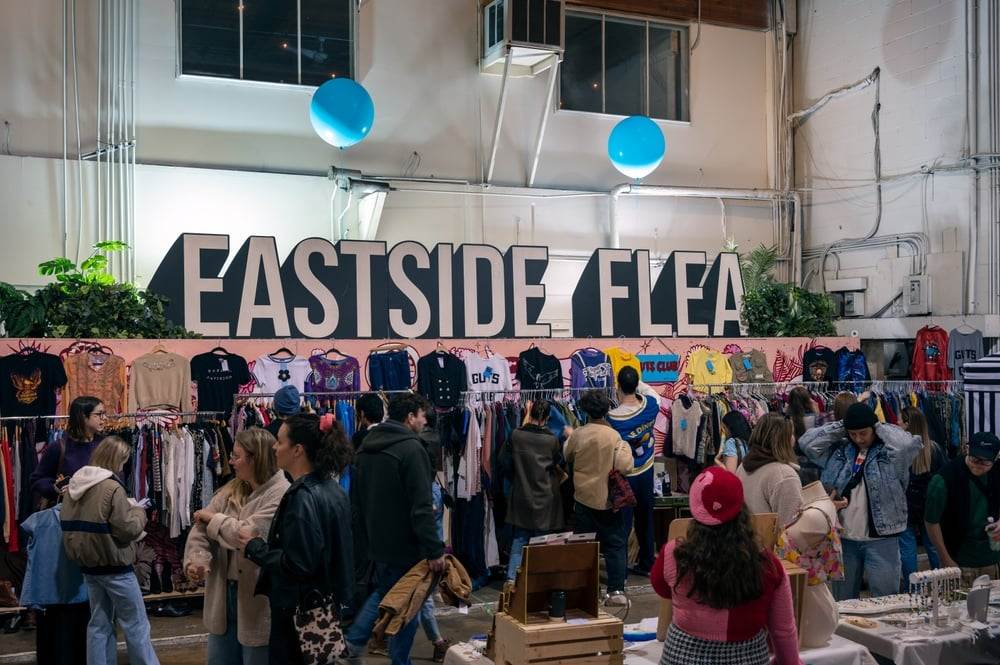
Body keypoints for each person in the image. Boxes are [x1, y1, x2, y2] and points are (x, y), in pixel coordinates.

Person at [652, 467, 801, 665]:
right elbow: (783, 630)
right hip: (748, 658)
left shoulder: (673, 554)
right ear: (742, 508)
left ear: (696, 509)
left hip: (682, 655)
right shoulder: (768, 565)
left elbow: (661, 588)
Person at [239, 414, 353, 665]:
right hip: (326, 606)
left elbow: (298, 564)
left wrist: (254, 546)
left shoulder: (302, 497)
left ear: (298, 450)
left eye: (279, 442)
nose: (274, 447)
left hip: (299, 612)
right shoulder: (333, 489)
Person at [345, 393, 445, 665]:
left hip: (378, 542)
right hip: (407, 544)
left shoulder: (366, 448)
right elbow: (421, 506)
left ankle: (355, 646)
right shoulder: (412, 450)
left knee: (386, 594)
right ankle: (366, 648)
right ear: (410, 417)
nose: (425, 421)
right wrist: (435, 549)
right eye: (422, 415)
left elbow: (358, 501)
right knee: (405, 605)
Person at [183, 427, 290, 665]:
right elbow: (200, 530)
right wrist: (197, 559)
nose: (230, 461)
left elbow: (245, 535)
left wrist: (214, 519)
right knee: (219, 658)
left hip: (258, 598)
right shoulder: (232, 488)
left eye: (236, 456)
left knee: (255, 657)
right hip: (223, 593)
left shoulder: (281, 493)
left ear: (255, 458)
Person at [800, 403, 921, 599]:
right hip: (844, 539)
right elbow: (807, 443)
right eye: (853, 433)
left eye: (863, 433)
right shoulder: (840, 451)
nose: (858, 438)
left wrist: (878, 425)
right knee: (843, 603)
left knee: (885, 601)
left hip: (883, 539)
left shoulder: (890, 454)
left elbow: (906, 445)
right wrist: (843, 425)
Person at [60, 436, 159, 665]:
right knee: (137, 624)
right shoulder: (111, 487)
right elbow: (127, 530)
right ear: (117, 459)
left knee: (99, 623)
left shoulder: (76, 484)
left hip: (89, 566)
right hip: (115, 566)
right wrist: (138, 511)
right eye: (123, 460)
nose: (124, 465)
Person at [565, 389, 634, 605]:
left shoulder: (578, 434)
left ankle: (587, 589)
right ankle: (616, 592)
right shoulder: (614, 436)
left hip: (584, 498)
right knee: (615, 545)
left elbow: (566, 455)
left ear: (585, 410)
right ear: (606, 410)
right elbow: (625, 466)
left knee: (585, 545)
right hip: (608, 500)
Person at [500, 399, 565, 583]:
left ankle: (511, 581)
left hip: (521, 494)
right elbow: (558, 462)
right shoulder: (551, 440)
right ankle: (538, 581)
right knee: (542, 542)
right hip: (544, 497)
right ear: (547, 417)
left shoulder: (516, 436)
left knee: (519, 539)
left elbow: (503, 462)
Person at [924, 432, 1000, 586]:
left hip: (993, 557)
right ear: (967, 449)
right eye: (975, 459)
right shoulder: (944, 479)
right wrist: (945, 558)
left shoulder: (997, 471)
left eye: (986, 463)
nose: (979, 465)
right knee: (958, 606)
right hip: (959, 559)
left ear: (996, 458)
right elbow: (931, 522)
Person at [607, 367, 660, 576]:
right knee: (646, 519)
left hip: (625, 475)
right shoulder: (651, 406)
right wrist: (636, 382)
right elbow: (650, 392)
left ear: (618, 387)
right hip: (647, 469)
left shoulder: (612, 418)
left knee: (622, 525)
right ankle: (647, 562)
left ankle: (621, 572)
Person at [30, 396, 105, 506]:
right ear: (83, 417)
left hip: (99, 513)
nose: (104, 418)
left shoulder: (105, 445)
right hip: (67, 513)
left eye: (104, 413)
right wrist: (55, 489)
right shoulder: (59, 447)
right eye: (99, 414)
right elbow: (37, 480)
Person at [898, 408, 945, 582]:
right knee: (933, 546)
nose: (897, 423)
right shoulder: (934, 448)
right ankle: (941, 584)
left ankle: (913, 590)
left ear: (908, 424)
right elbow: (943, 478)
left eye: (900, 421)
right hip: (929, 506)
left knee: (907, 550)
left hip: (905, 506)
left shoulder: (900, 450)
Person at [735, 413, 803, 529]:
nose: (794, 438)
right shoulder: (784, 475)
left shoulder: (744, 465)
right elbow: (791, 528)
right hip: (770, 544)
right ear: (784, 439)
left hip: (747, 540)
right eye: (791, 433)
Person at [788, 386, 822, 484]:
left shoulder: (785, 421)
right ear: (808, 401)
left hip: (794, 464)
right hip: (814, 464)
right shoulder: (815, 418)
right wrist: (817, 413)